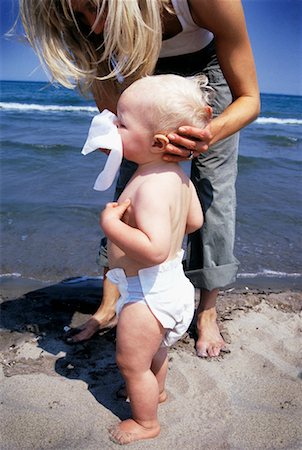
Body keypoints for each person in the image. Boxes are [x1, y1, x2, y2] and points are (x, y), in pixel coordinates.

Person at [20, 0, 260, 357]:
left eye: (92, 7)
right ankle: (109, 303)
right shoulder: (94, 30)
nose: (94, 27)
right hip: (142, 70)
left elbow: (250, 99)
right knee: (129, 186)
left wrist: (211, 132)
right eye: (78, 17)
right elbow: (108, 107)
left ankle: (206, 309)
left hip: (209, 68)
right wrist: (115, 138)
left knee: (213, 187)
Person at [99, 73, 206, 444]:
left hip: (148, 293)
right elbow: (195, 221)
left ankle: (146, 422)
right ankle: (155, 394)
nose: (113, 125)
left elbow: (154, 247)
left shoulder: (149, 184)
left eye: (122, 122)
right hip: (172, 284)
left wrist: (112, 225)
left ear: (157, 141)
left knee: (131, 362)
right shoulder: (178, 177)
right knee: (154, 351)